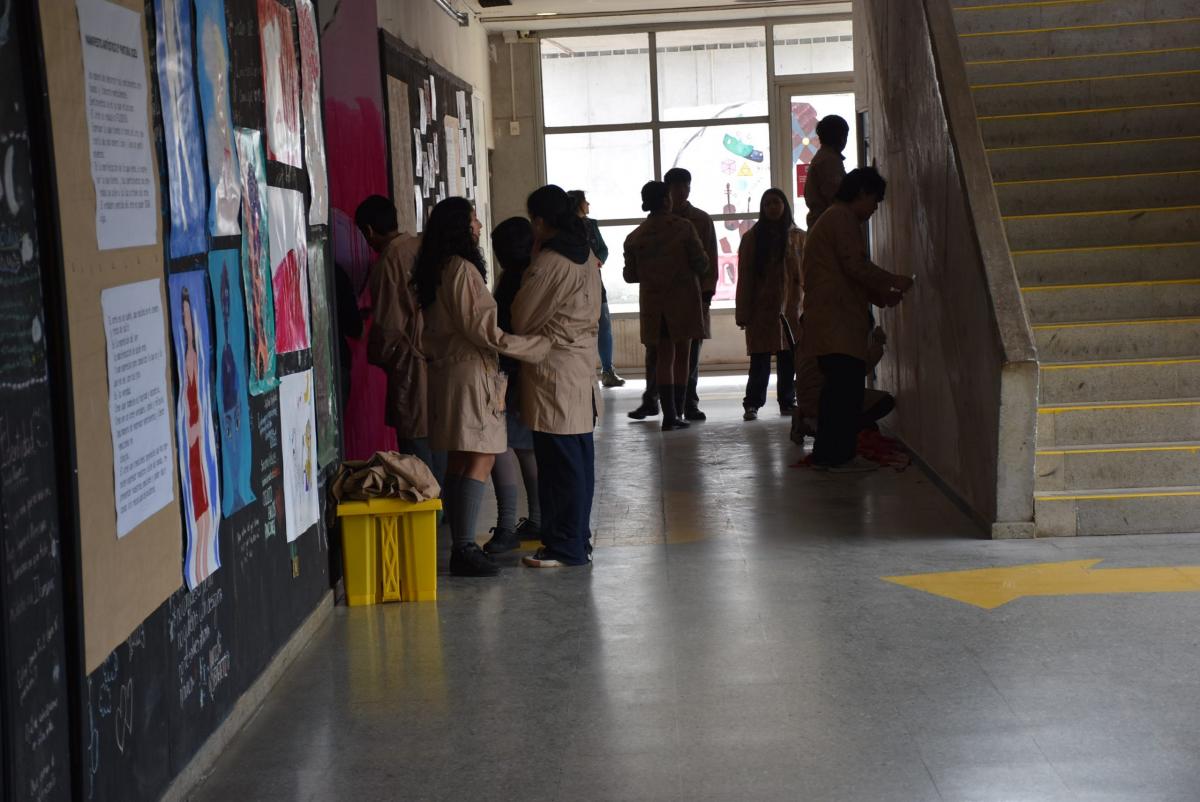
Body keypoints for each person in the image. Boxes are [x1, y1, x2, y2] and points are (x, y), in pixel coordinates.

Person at [412, 198, 549, 577]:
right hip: (471, 375)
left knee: (460, 460)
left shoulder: (438, 267)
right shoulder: (461, 269)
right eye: (473, 220)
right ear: (460, 227)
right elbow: (484, 330)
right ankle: (464, 547)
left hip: (450, 373)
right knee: (482, 456)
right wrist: (535, 347)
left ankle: (462, 545)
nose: (478, 226)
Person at [512, 185, 604, 567]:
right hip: (579, 369)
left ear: (539, 221)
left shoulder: (551, 262)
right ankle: (576, 539)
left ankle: (565, 546)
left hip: (556, 372)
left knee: (559, 466)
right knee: (577, 460)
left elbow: (522, 318)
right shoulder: (586, 255)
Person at [802, 167, 912, 472]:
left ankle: (830, 455)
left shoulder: (834, 218)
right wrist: (893, 280)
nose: (875, 209)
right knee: (843, 393)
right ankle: (837, 456)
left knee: (839, 391)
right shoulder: (841, 218)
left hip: (834, 318)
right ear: (862, 192)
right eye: (874, 201)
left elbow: (849, 275)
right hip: (835, 321)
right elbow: (855, 266)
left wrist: (882, 296)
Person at [357, 195, 447, 486]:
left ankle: (432, 506)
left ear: (369, 231)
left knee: (418, 455)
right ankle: (446, 506)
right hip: (441, 358)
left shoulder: (388, 261)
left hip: (412, 363)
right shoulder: (422, 245)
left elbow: (390, 326)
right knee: (441, 444)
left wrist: (377, 353)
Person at [628, 168, 718, 421]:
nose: (682, 191)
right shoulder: (686, 227)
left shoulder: (635, 235)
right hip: (685, 300)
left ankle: (671, 411)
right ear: (667, 197)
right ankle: (675, 412)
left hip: (654, 304)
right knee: (683, 357)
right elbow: (704, 263)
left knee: (663, 357)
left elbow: (630, 275)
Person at [482, 217, 543, 555]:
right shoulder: (532, 276)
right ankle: (538, 518)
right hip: (528, 373)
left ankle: (506, 526)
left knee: (501, 446)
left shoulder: (513, 281)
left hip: (509, 375)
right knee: (526, 448)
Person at [736, 188, 803, 421]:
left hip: (793, 308)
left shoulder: (798, 237)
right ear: (762, 209)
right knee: (760, 359)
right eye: (767, 204)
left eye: (776, 202)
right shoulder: (752, 238)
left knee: (789, 358)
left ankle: (787, 401)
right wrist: (743, 312)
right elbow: (745, 277)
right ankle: (752, 404)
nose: (772, 207)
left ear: (785, 205)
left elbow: (808, 274)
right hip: (761, 309)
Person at [792, 325, 895, 445]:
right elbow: (858, 370)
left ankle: (812, 422)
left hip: (807, 399)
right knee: (886, 402)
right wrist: (878, 344)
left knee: (868, 421)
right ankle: (830, 430)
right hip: (823, 399)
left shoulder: (809, 337)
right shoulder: (833, 341)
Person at [568, 189, 624, 389]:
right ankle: (581, 372)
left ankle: (607, 370)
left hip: (595, 279)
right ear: (578, 203)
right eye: (585, 201)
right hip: (574, 282)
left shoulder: (591, 224)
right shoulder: (566, 226)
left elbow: (603, 249)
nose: (588, 204)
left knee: (604, 323)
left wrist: (599, 260)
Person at [804, 115, 850, 229]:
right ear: (841, 138)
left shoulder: (824, 157)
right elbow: (836, 196)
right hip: (827, 227)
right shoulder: (829, 160)